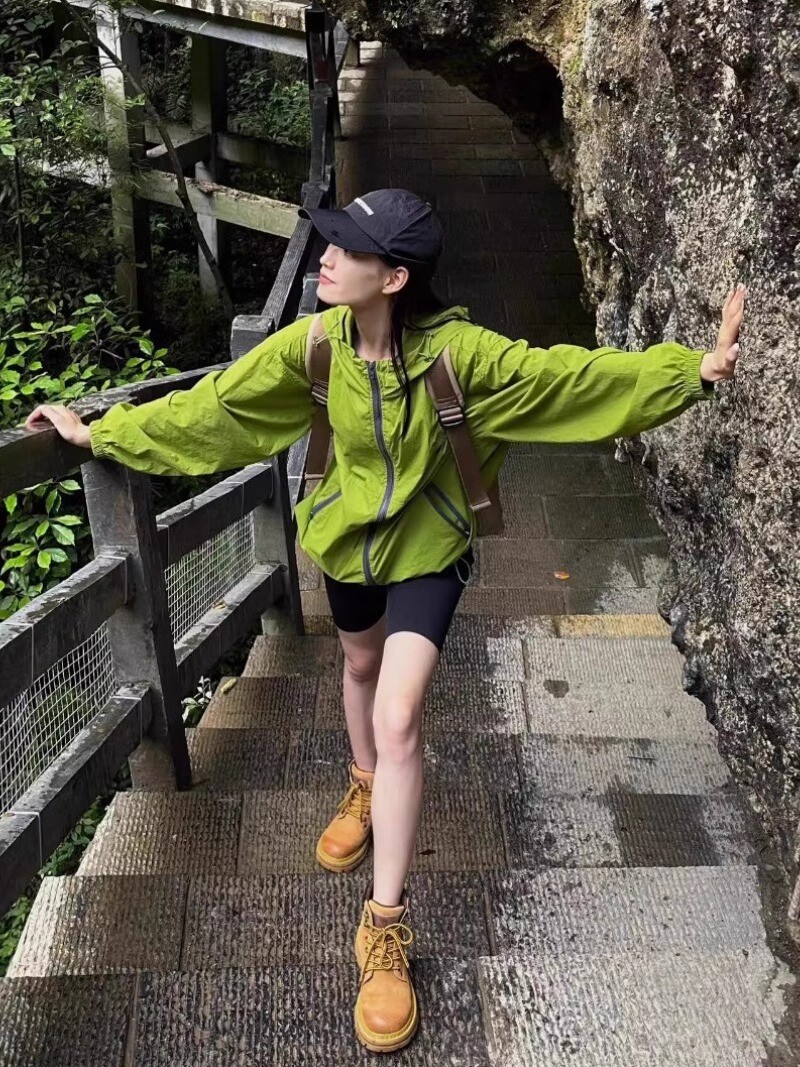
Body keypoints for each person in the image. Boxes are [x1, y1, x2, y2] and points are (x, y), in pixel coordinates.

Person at [26, 187, 746, 1054]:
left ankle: (384, 923)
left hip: (429, 549)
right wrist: (102, 432)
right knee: (360, 668)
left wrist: (691, 372)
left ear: (395, 277)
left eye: (345, 248)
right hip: (347, 546)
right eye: (327, 242)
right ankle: (363, 781)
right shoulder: (314, 346)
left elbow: (570, 378)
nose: (325, 258)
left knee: (401, 713)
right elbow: (216, 408)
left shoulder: (461, 356)